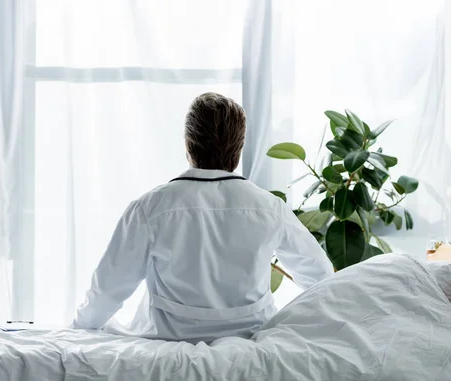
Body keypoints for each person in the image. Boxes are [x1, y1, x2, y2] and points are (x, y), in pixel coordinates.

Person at [71, 92, 333, 343]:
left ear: (188, 144)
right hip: (252, 336)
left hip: (167, 336)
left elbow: (107, 290)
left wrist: (77, 331)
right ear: (239, 147)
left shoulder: (150, 208)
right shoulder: (270, 207)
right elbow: (320, 276)